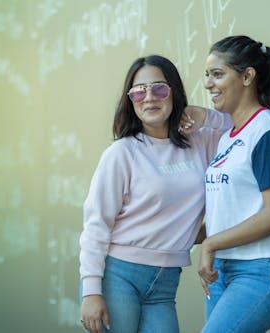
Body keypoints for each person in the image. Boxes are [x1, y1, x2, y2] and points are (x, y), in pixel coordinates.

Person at [79, 55, 232, 333]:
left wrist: (204, 115)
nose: (149, 98)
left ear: (174, 92)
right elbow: (96, 224)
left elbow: (245, 124)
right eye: (139, 91)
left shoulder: (200, 143)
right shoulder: (121, 153)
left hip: (164, 284)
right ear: (131, 100)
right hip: (118, 276)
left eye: (159, 88)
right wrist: (91, 291)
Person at [198, 35, 270, 333]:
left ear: (247, 76)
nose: (208, 84)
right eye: (207, 75)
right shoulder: (227, 137)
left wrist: (211, 243)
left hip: (262, 271)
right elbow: (233, 212)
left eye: (217, 74)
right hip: (221, 271)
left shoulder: (267, 131)